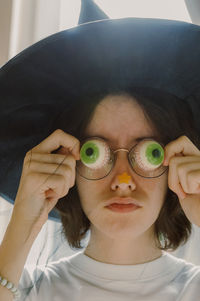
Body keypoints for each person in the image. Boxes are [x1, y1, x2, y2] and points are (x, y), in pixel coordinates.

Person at [0, 14, 200, 301]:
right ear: (68, 165)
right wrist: (24, 220)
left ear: (175, 164)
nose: (122, 181)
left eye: (148, 152)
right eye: (95, 152)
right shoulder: (22, 290)